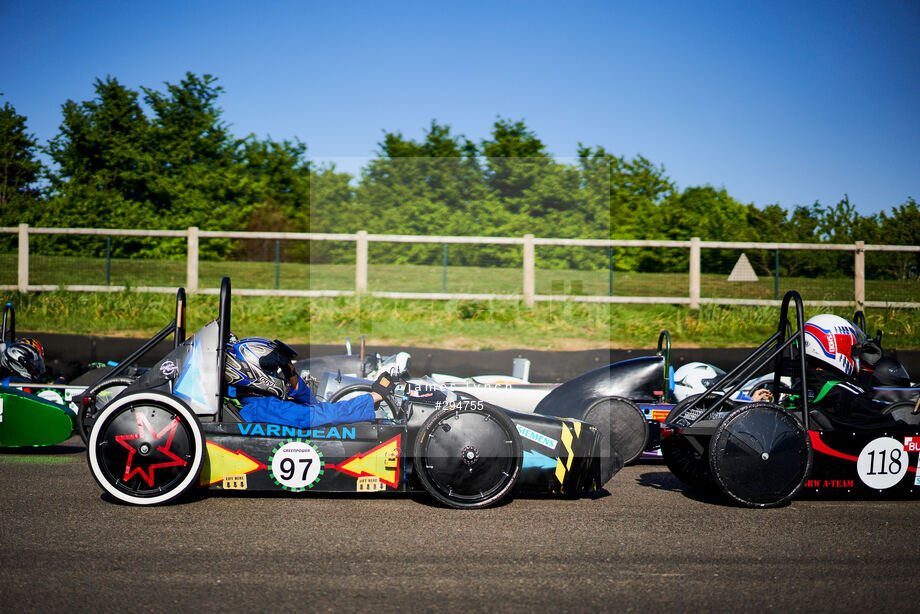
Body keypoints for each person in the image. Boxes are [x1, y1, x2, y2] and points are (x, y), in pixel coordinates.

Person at [223, 337, 383, 428]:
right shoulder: (266, 408)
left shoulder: (246, 400)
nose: (280, 374)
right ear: (254, 371)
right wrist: (372, 397)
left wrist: (292, 378)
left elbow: (312, 405)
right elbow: (320, 414)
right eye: (274, 369)